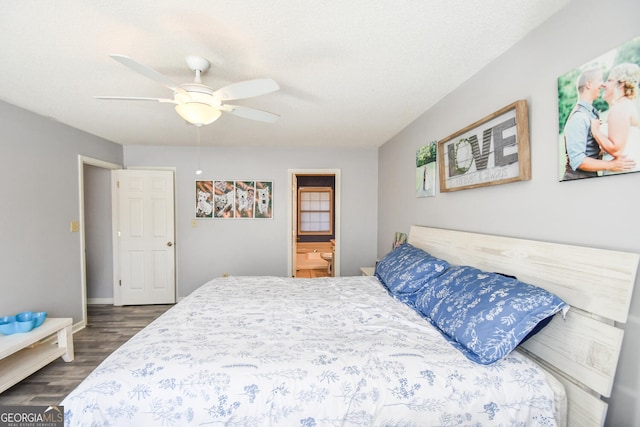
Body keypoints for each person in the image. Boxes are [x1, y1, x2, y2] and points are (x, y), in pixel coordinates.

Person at [563, 68, 633, 180]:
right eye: (600, 80)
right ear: (589, 84)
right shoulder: (579, 117)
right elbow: (578, 161)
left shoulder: (590, 114)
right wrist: (612, 165)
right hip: (576, 180)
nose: (603, 84)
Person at [590, 62, 640, 175]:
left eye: (609, 80)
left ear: (621, 84)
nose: (604, 85)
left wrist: (596, 131)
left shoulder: (620, 108)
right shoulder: (624, 106)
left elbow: (616, 149)